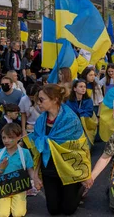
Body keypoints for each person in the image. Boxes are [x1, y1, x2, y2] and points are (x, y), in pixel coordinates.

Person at [26, 84, 92, 215]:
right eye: (37, 99)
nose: (38, 103)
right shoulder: (40, 121)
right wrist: (35, 174)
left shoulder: (70, 119)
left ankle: (78, 187)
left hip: (68, 168)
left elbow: (80, 148)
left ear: (55, 99)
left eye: (41, 99)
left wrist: (84, 174)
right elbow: (38, 150)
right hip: (49, 170)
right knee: (53, 210)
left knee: (68, 210)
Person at [0, 123, 39, 217]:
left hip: (19, 188)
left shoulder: (25, 152)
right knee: (2, 214)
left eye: (10, 137)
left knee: (18, 214)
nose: (6, 141)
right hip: (2, 188)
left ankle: (19, 202)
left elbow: (30, 170)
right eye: (4, 138)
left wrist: (35, 180)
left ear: (19, 137)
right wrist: (0, 170)